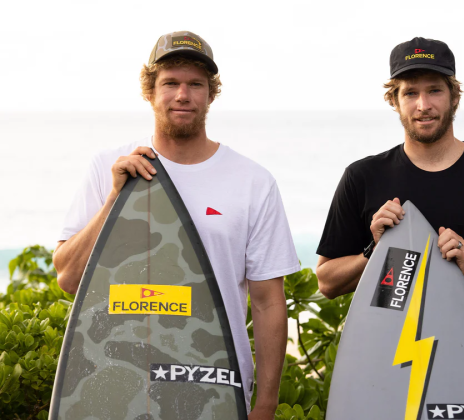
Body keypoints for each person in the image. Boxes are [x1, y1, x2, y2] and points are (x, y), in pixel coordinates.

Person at [53, 30, 299, 419]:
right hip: (118, 385)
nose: (183, 95)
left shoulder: (252, 181)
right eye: (170, 83)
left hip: (214, 386)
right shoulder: (108, 167)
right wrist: (116, 200)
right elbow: (68, 277)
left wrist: (265, 404)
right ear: (150, 91)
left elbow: (268, 301)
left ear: (211, 94)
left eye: (195, 84)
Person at [316, 37, 464, 358]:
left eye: (435, 90)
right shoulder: (363, 177)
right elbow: (327, 282)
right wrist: (376, 250)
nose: (423, 105)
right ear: (395, 101)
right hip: (383, 369)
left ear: (454, 97)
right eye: (410, 93)